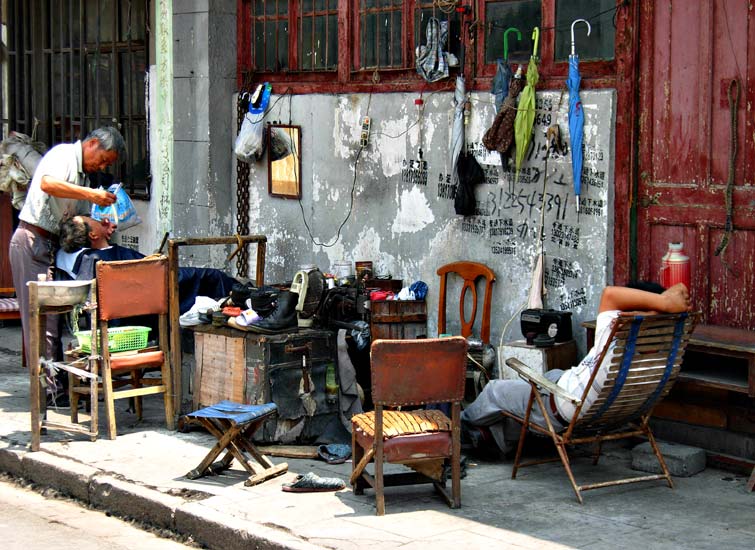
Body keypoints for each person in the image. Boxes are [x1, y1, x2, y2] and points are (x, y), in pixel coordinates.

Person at [461, 282, 692, 454]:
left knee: (495, 390)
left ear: (630, 314)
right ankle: (496, 437)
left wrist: (664, 302)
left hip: (561, 407)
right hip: (596, 406)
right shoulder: (661, 357)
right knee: (549, 377)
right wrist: (662, 310)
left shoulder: (612, 338)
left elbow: (610, 294)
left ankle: (461, 428)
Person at [9, 127, 124, 371]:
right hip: (31, 241)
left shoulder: (84, 178)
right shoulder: (63, 155)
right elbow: (47, 183)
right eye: (103, 160)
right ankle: (47, 390)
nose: (102, 167)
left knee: (53, 321)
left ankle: (54, 385)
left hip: (49, 246)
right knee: (40, 323)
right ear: (92, 143)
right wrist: (92, 194)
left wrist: (98, 224)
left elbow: (78, 217)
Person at [57, 215, 239, 315]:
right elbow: (149, 276)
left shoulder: (90, 260)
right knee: (211, 276)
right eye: (92, 220)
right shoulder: (107, 259)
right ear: (93, 235)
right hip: (150, 302)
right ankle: (244, 296)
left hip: (138, 300)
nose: (97, 218)